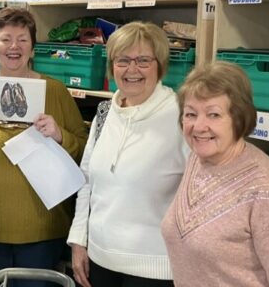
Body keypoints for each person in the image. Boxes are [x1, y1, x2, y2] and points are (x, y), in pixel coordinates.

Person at [0, 7, 88, 287]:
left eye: (23, 39)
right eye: (6, 39)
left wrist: (60, 135)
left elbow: (85, 153)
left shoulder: (55, 92)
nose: (14, 46)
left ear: (33, 48)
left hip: (43, 230)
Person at [161, 61, 269, 286]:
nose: (199, 126)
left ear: (239, 118)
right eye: (191, 114)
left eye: (213, 114)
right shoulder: (198, 158)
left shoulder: (267, 190)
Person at [67, 22, 188, 287]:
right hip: (100, 261)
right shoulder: (104, 113)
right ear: (112, 66)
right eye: (122, 60)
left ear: (160, 65)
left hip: (156, 269)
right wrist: (78, 241)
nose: (132, 69)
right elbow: (86, 182)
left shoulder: (183, 117)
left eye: (143, 60)